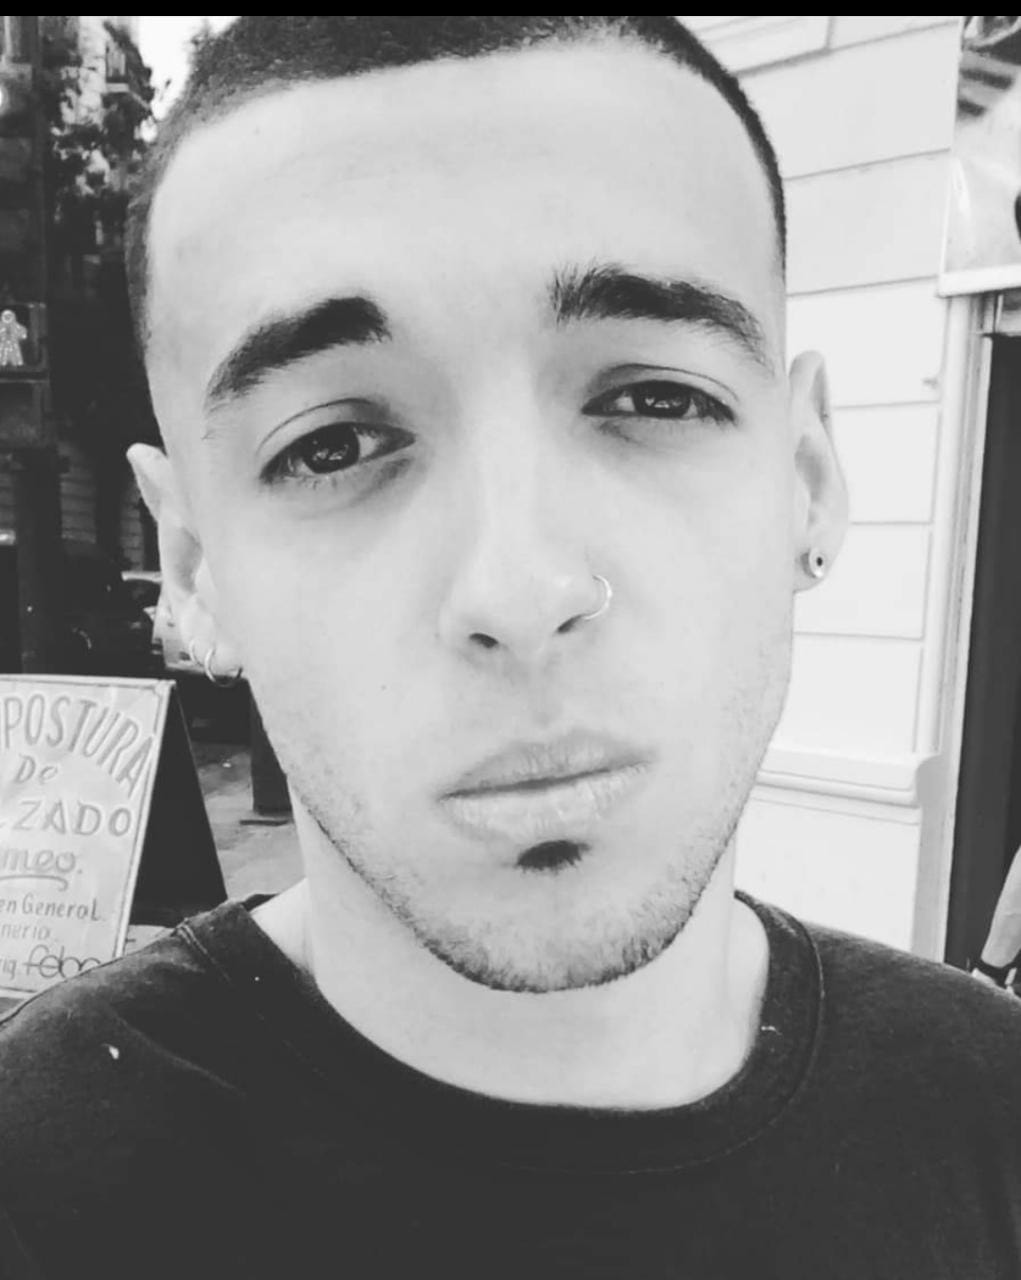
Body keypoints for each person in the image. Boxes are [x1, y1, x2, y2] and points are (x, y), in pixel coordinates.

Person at [1, 16, 1020, 1278]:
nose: (521, 589)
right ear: (196, 564)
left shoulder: (993, 1117)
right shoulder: (38, 1183)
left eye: (653, 396)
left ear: (805, 480)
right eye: (330, 446)